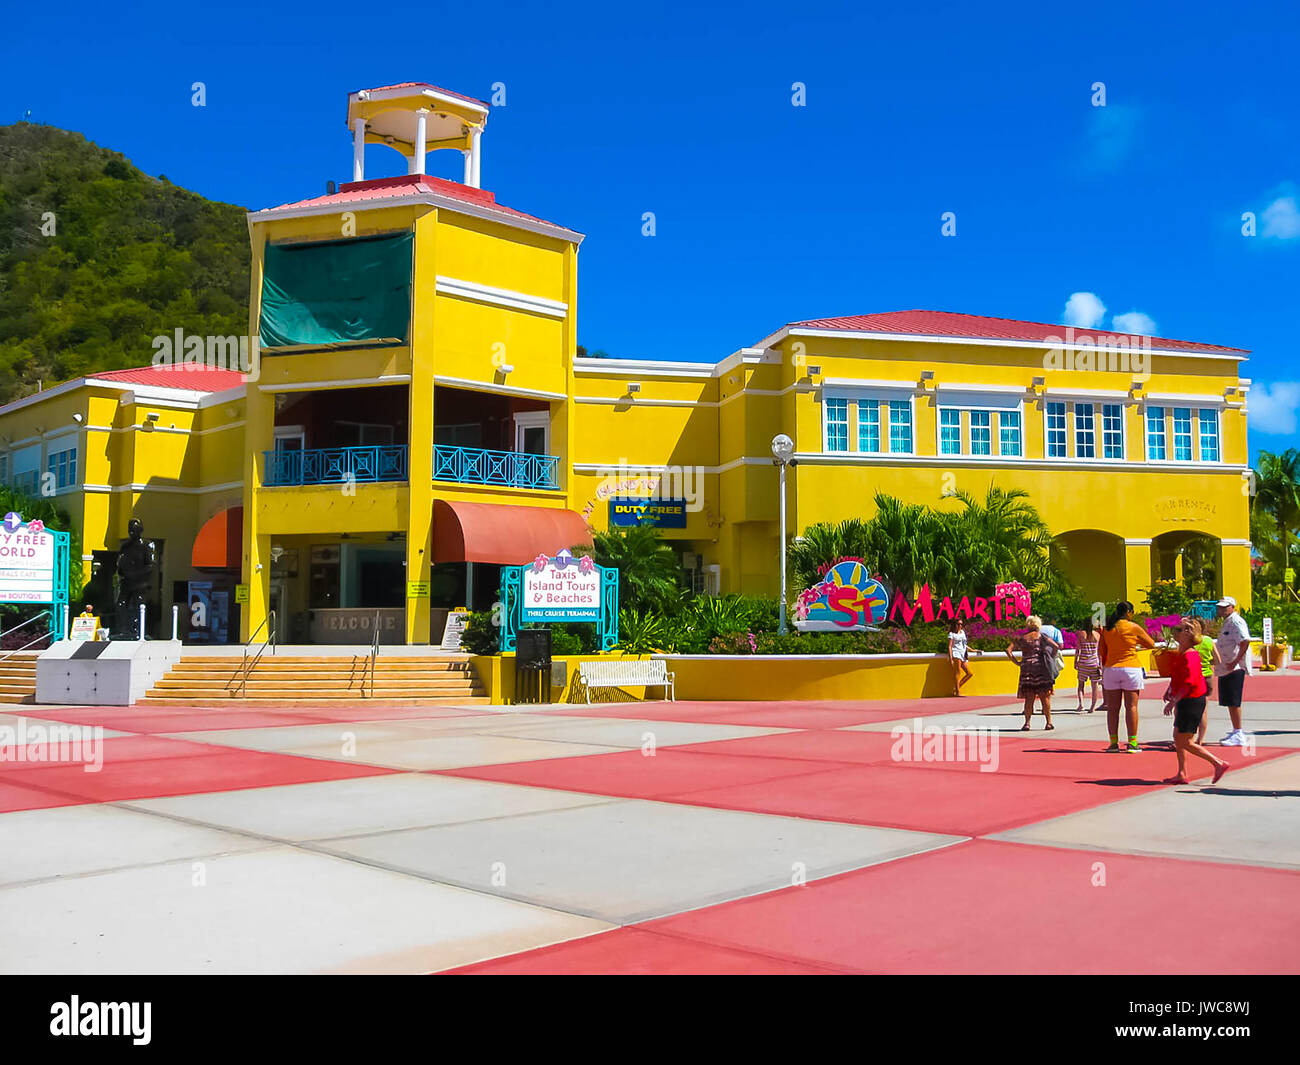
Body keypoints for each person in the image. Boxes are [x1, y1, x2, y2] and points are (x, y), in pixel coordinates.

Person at [1161, 620, 1230, 785]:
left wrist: (1174, 701)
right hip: (1186, 699)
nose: (1174, 633)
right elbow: (1179, 676)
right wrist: (1170, 690)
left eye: (1178, 630)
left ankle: (1218, 763)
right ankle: (1182, 772)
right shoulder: (1182, 652)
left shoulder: (1190, 654)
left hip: (1191, 700)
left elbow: (1190, 681)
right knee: (1178, 738)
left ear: (1187, 635)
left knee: (1186, 741)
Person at [1099, 600, 1156, 753]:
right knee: (1131, 706)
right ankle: (1132, 743)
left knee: (1112, 709)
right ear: (1129, 612)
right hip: (1131, 668)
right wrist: (1135, 644)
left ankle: (1113, 743)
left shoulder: (1107, 628)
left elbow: (1101, 651)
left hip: (1111, 669)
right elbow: (1151, 644)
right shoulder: (1134, 627)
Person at [1006, 615, 1058, 730]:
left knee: (1029, 698)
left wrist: (1017, 662)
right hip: (1040, 668)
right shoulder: (1041, 637)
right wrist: (1051, 658)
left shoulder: (1022, 638)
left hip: (1026, 669)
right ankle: (1048, 722)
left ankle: (1027, 723)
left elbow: (1008, 650)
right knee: (1044, 696)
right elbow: (1056, 646)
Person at [1214, 596, 1252, 747]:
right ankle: (1236, 730)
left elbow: (1245, 641)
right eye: (1220, 607)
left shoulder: (1236, 621)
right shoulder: (1227, 622)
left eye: (1225, 607)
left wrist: (1235, 661)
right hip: (1226, 667)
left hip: (1233, 667)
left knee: (1234, 701)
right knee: (1229, 701)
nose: (1221, 610)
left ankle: (1238, 733)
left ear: (1232, 607)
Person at [1185, 616, 1220, 745]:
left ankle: (1189, 736)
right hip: (1207, 676)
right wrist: (1207, 662)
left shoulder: (1189, 642)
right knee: (1203, 709)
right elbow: (1218, 660)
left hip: (1192, 677)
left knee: (1187, 708)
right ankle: (1201, 738)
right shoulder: (1208, 640)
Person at [1074, 619, 1102, 712]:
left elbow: (1078, 650)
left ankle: (1081, 704)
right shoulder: (1097, 635)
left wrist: (1075, 661)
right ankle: (1092, 707)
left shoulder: (1081, 634)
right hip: (1094, 663)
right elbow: (1099, 652)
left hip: (1083, 662)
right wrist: (1100, 664)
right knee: (1095, 686)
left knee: (1081, 685)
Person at [947, 617, 973, 696]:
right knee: (957, 672)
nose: (960, 626)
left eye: (961, 624)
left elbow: (964, 644)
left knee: (969, 673)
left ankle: (956, 688)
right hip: (956, 653)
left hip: (963, 654)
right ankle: (958, 692)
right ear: (955, 624)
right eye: (958, 624)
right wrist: (951, 658)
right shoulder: (952, 634)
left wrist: (972, 649)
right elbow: (950, 646)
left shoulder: (962, 633)